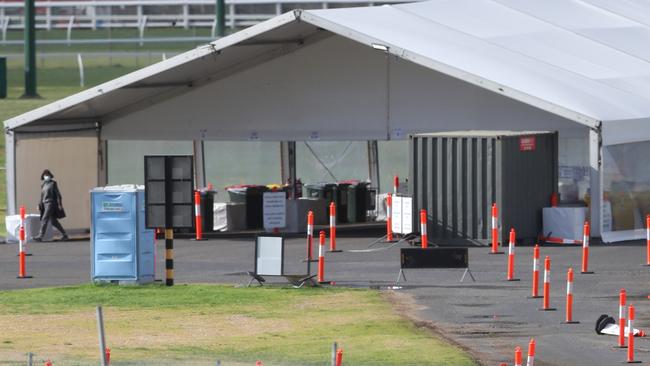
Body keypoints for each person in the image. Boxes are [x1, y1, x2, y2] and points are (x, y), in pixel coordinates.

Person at [33, 169, 68, 241]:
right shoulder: (43, 184)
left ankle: (40, 236)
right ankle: (65, 234)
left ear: (50, 175)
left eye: (48, 175)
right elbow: (42, 196)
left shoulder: (53, 183)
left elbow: (58, 194)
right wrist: (39, 204)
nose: (47, 176)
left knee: (44, 218)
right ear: (43, 176)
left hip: (50, 203)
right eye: (45, 175)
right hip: (44, 204)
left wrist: (59, 204)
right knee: (53, 221)